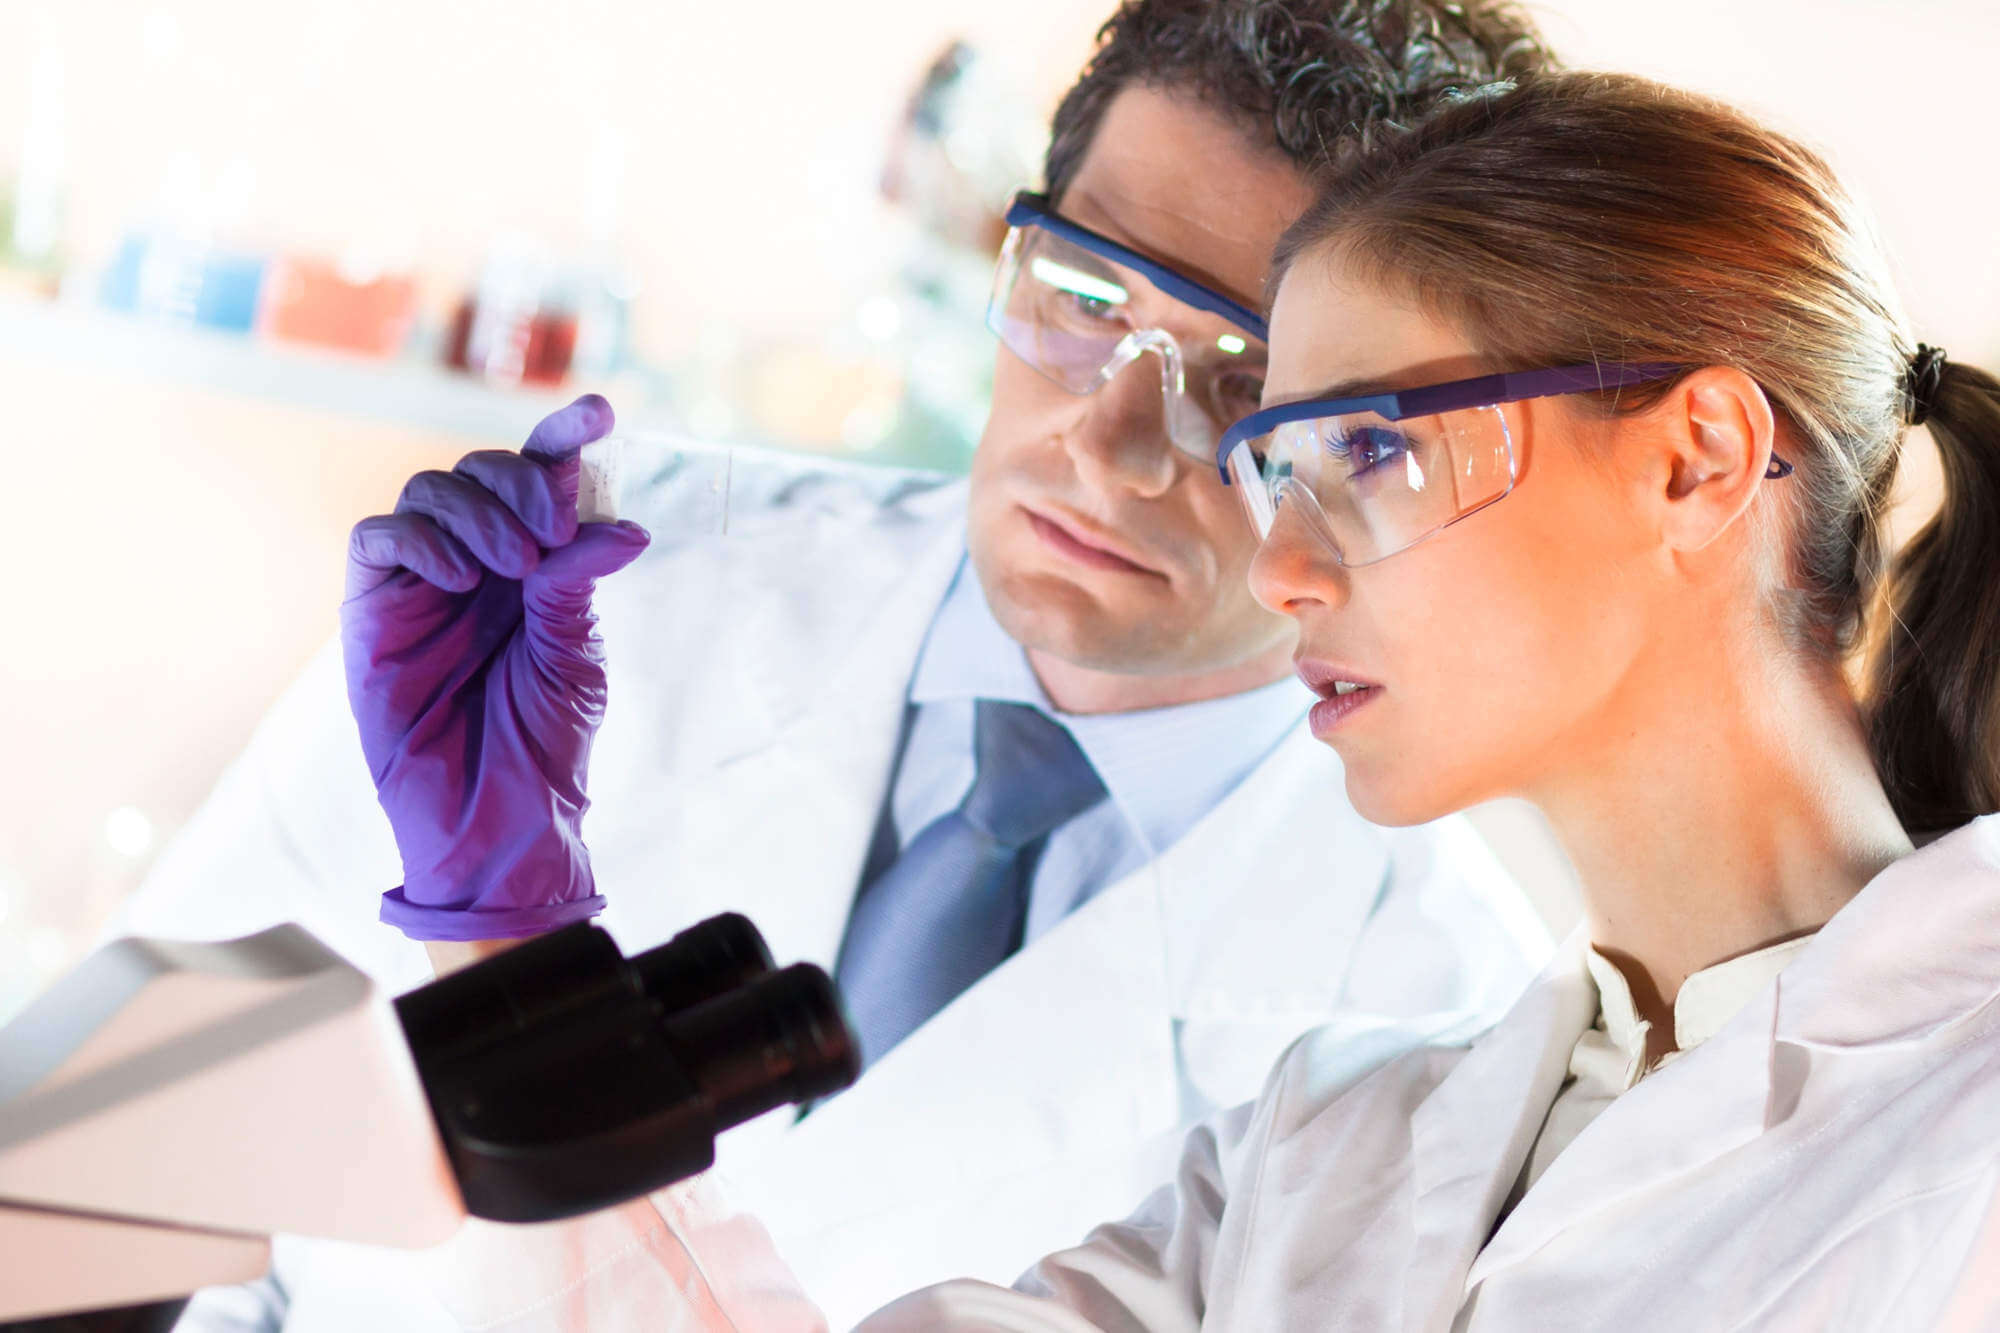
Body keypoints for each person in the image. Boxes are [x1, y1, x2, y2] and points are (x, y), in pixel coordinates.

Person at [465, 68, 2000, 1329]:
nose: (1277, 569)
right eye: (1280, 467)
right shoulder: (1325, 1153)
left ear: (1698, 462)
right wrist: (516, 919)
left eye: (1375, 453)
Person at [120, 3, 1555, 1328]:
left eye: (1248, 385)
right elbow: (97, 1172)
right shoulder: (589, 589)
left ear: (1399, 456)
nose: (1106, 446)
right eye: (1085, 298)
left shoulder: (1450, 1022)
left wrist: (510, 960)